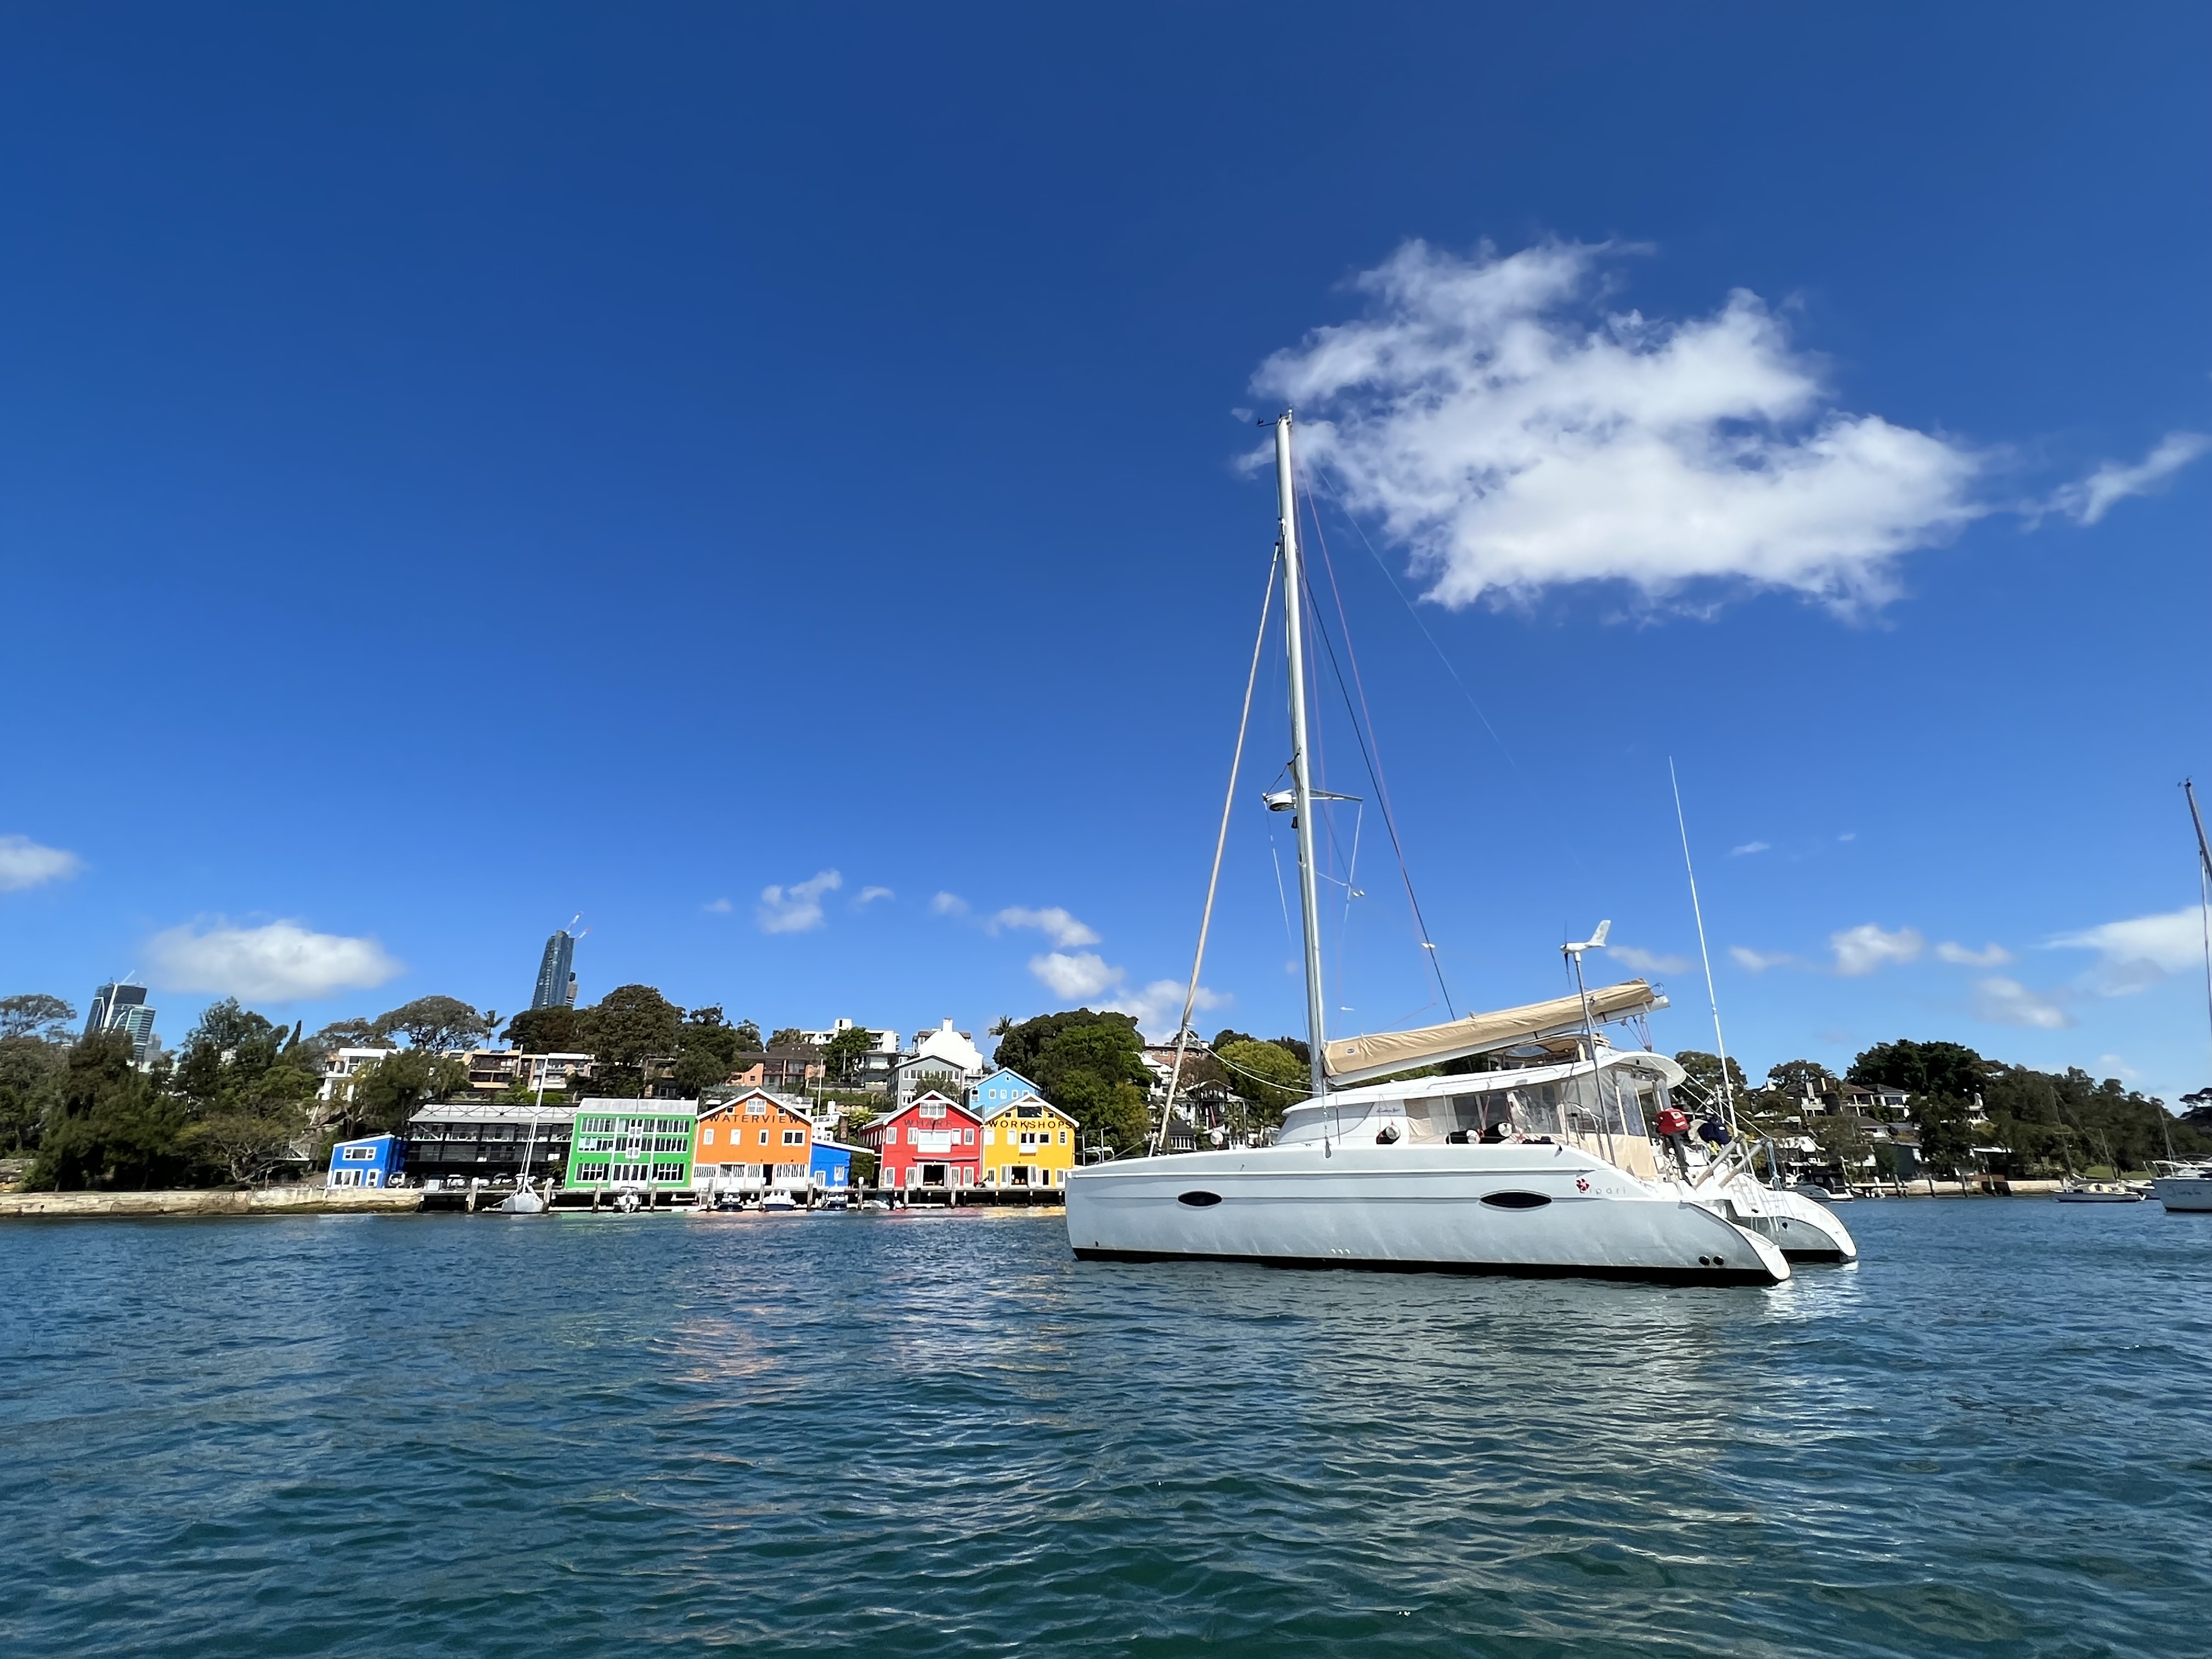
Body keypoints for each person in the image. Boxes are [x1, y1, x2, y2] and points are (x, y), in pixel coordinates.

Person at [1654, 1101, 1694, 1175]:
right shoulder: (1676, 1111)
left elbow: (1658, 1120)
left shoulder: (1662, 1116)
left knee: (1676, 1147)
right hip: (1682, 1129)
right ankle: (1684, 1166)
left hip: (1672, 1131)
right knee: (1679, 1147)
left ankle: (1681, 1166)